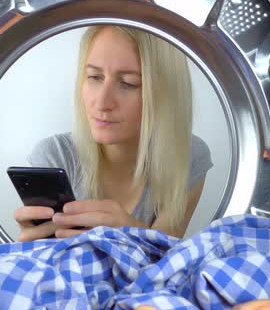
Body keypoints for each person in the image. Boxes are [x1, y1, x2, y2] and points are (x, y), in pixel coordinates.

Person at [14, 25, 213, 241]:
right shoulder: (54, 156)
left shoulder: (189, 156)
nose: (102, 103)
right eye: (94, 77)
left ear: (165, 95)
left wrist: (129, 232)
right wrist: (32, 249)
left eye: (128, 83)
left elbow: (167, 261)